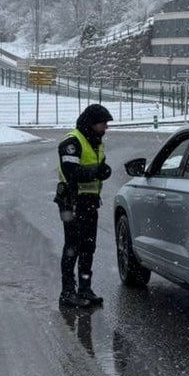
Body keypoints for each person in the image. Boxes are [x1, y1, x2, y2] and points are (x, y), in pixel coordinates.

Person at [55, 103, 113, 308]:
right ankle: (67, 291)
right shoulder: (72, 142)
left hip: (89, 202)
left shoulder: (96, 142)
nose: (105, 128)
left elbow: (96, 167)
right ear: (91, 123)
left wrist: (103, 171)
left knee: (88, 246)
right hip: (71, 201)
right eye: (103, 124)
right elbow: (71, 172)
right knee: (72, 247)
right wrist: (97, 171)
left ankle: (85, 288)